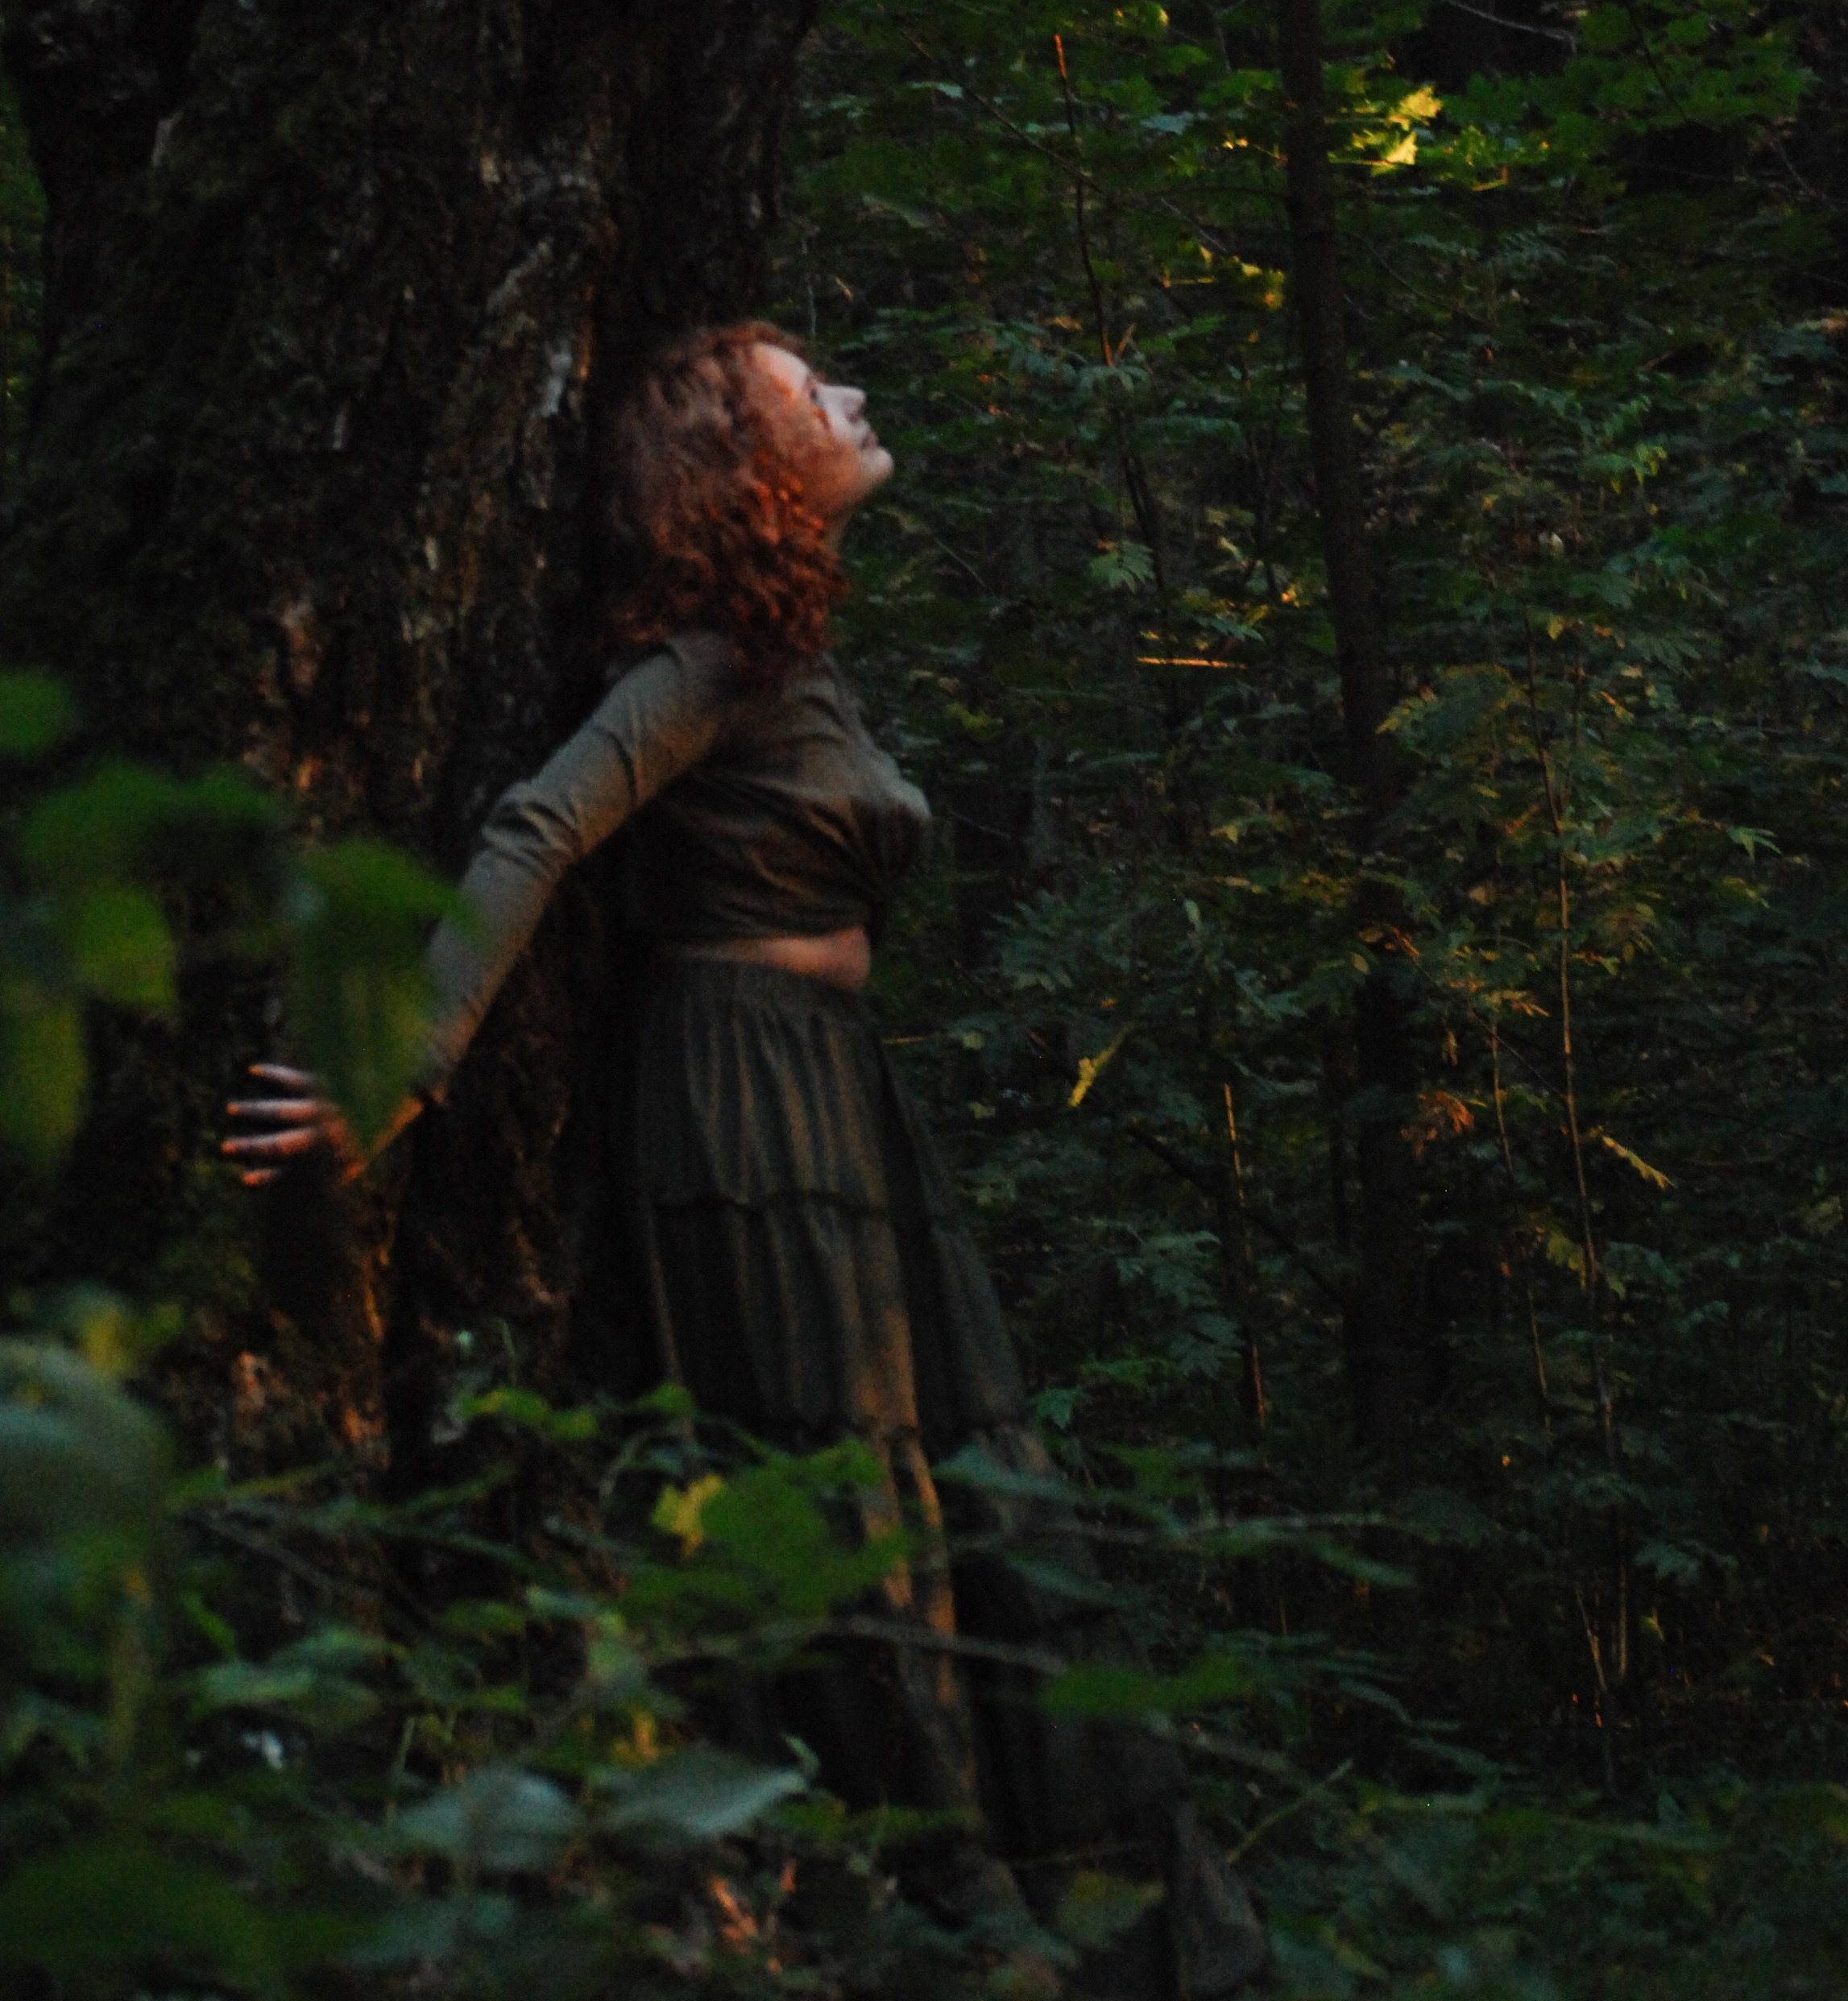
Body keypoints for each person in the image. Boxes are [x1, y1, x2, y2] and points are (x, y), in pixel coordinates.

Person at [224, 323, 1266, 1995]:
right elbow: (535, 826)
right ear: (750, 471)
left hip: (839, 1100)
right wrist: (398, 1068)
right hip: (741, 1107)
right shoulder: (708, 660)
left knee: (954, 1482)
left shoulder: (789, 655)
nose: (854, 396)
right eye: (809, 396)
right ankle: (946, 1915)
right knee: (841, 1487)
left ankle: (1049, 1906)